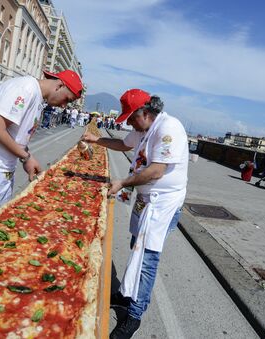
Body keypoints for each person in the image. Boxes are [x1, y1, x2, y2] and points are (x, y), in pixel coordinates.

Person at [81, 89, 188, 339]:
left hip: (162, 203)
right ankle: (125, 294)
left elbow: (156, 171)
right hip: (145, 198)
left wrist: (123, 182)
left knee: (148, 257)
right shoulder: (143, 129)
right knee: (135, 246)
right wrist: (96, 140)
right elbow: (122, 144)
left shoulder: (168, 128)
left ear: (146, 113)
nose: (128, 122)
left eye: (131, 117)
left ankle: (135, 315)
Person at [0, 69, 83, 231]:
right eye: (67, 99)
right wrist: (26, 157)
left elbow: (16, 135)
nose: (64, 105)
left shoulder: (37, 96)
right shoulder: (26, 88)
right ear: (59, 86)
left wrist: (25, 157)